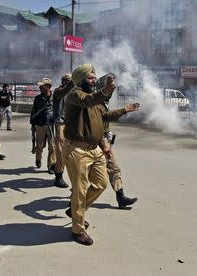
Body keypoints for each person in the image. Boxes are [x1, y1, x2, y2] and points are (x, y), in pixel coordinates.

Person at [62, 64, 115, 246]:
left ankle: (76, 209)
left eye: (95, 78)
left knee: (101, 183)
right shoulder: (74, 95)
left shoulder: (94, 101)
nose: (94, 80)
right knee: (80, 190)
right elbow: (88, 100)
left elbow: (104, 117)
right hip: (77, 150)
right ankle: (77, 230)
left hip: (95, 149)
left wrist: (125, 109)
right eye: (91, 78)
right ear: (81, 80)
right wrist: (105, 91)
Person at [96, 74, 140, 208]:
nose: (113, 89)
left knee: (114, 168)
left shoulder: (103, 101)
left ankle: (120, 197)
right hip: (93, 141)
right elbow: (106, 117)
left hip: (103, 139)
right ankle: (75, 200)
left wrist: (107, 135)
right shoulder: (95, 101)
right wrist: (124, 109)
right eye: (110, 86)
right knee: (86, 173)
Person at [30, 78, 56, 174]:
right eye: (40, 86)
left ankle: (51, 166)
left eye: (42, 85)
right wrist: (32, 125)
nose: (40, 87)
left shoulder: (55, 97)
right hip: (40, 125)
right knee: (39, 147)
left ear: (48, 86)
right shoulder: (38, 98)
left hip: (51, 125)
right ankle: (38, 158)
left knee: (52, 147)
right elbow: (33, 112)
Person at [52, 73, 73, 188]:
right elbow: (64, 91)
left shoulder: (73, 94)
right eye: (66, 81)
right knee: (60, 150)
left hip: (71, 124)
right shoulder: (58, 91)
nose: (67, 83)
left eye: (68, 81)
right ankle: (58, 176)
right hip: (60, 122)